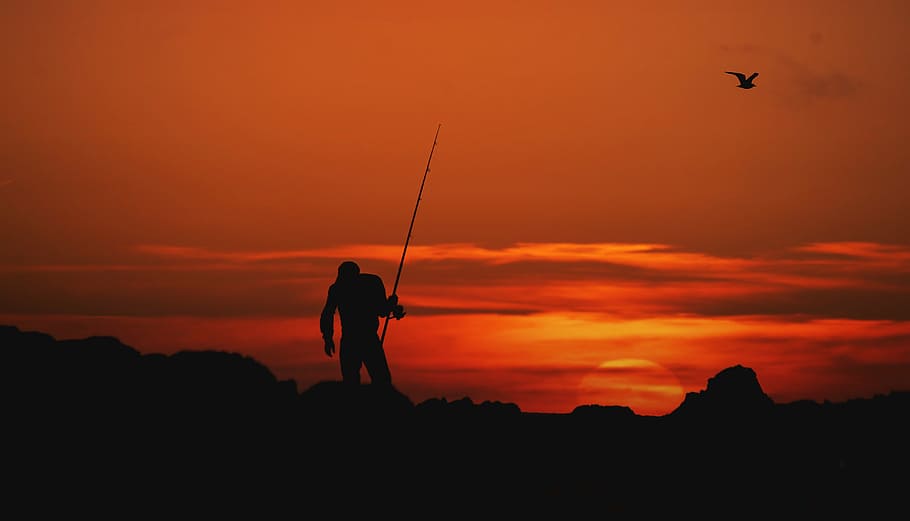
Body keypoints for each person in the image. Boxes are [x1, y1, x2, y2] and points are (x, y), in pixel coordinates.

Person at [320, 260, 405, 386]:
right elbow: (382, 311)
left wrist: (328, 338)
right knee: (381, 379)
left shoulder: (337, 289)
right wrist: (391, 304)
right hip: (369, 340)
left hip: (350, 340)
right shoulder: (371, 283)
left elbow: (327, 314)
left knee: (351, 381)